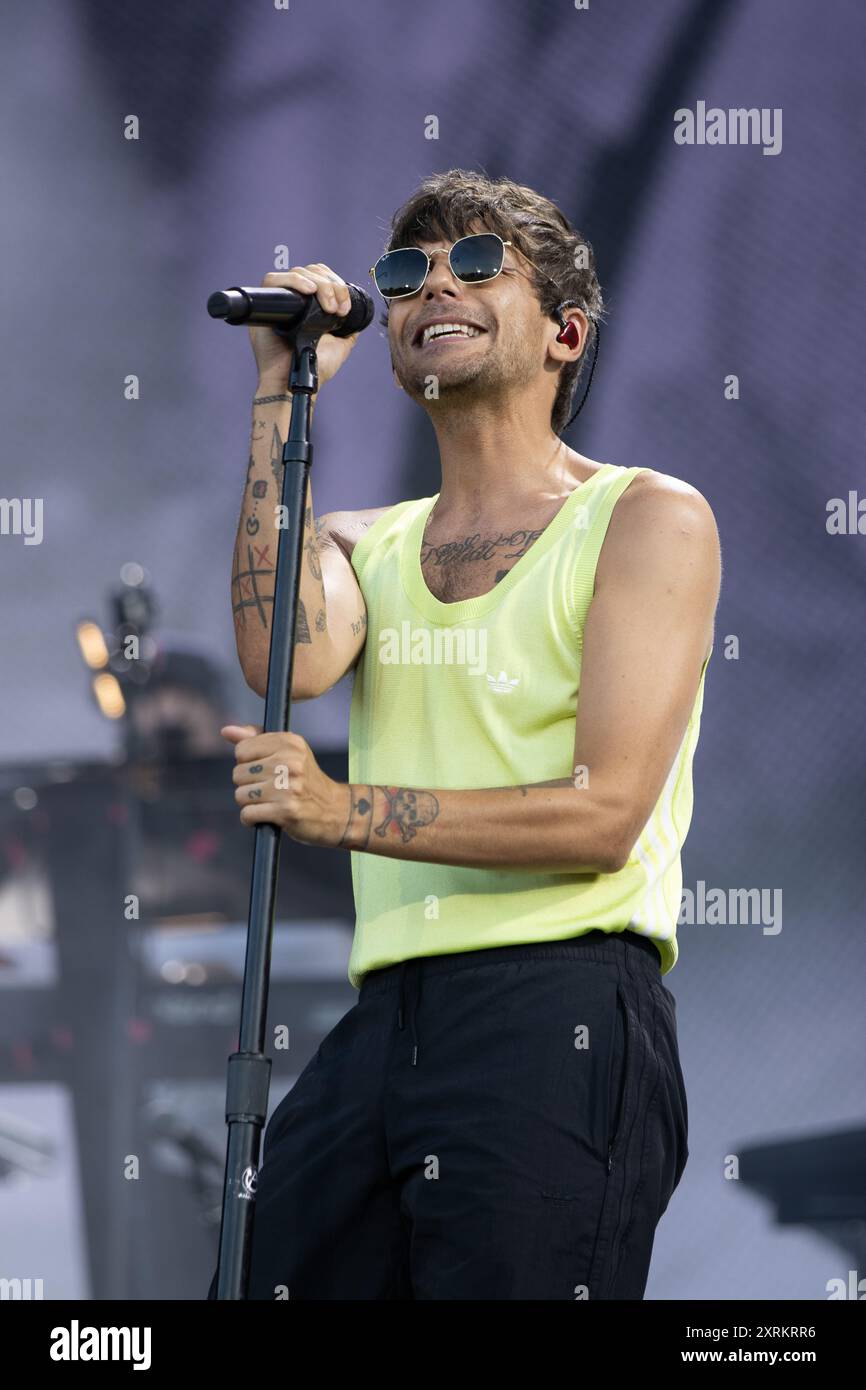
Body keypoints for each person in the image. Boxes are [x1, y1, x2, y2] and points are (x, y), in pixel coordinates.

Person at [217, 168, 721, 1300]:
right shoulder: (362, 542)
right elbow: (279, 660)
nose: (433, 281)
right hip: (386, 1013)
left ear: (566, 333)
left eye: (479, 262)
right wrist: (279, 397)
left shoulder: (644, 516)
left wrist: (338, 810)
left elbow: (602, 815)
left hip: (560, 1007)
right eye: (405, 270)